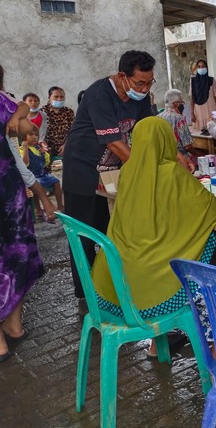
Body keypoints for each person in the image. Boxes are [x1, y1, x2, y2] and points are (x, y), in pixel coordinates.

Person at [91, 117, 216, 356]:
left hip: (115, 284)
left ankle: (158, 344)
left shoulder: (127, 172)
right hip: (152, 288)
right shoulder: (171, 173)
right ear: (167, 141)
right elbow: (212, 210)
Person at [63, 50, 160, 300]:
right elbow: (115, 143)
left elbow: (151, 130)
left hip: (111, 171)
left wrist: (175, 154)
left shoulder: (140, 96)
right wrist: (147, 169)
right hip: (83, 170)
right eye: (140, 82)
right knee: (85, 233)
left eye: (150, 82)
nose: (145, 88)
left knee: (113, 229)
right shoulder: (99, 95)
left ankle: (111, 286)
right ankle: (86, 294)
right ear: (122, 76)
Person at [0, 55, 44, 363]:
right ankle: (14, 326)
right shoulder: (3, 101)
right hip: (10, 193)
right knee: (15, 254)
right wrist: (19, 107)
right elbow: (24, 130)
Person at [20, 124, 64, 211]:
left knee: (56, 182)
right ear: (23, 136)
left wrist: (44, 153)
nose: (34, 137)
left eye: (36, 135)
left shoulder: (38, 148)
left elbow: (45, 163)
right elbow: (24, 164)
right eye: (30, 134)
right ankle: (38, 209)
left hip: (42, 173)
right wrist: (25, 149)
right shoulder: (22, 148)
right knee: (37, 188)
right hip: (31, 175)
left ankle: (60, 205)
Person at [158, 89, 200, 162]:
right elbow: (187, 146)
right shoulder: (179, 118)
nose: (182, 105)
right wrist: (197, 155)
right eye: (182, 103)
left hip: (165, 158)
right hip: (181, 159)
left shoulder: (157, 117)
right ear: (176, 103)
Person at [42, 86, 75, 157]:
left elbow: (74, 130)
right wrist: (44, 146)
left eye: (61, 97)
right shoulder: (42, 112)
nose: (59, 99)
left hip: (66, 149)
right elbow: (37, 132)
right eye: (56, 97)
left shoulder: (68, 112)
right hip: (46, 150)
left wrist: (66, 144)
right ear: (49, 97)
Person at [190, 59, 216, 133]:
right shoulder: (193, 81)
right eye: (199, 66)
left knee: (212, 130)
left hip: (210, 108)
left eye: (203, 66)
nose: (201, 68)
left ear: (206, 67)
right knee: (200, 131)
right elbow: (192, 97)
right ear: (196, 69)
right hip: (198, 109)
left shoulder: (212, 80)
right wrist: (192, 113)